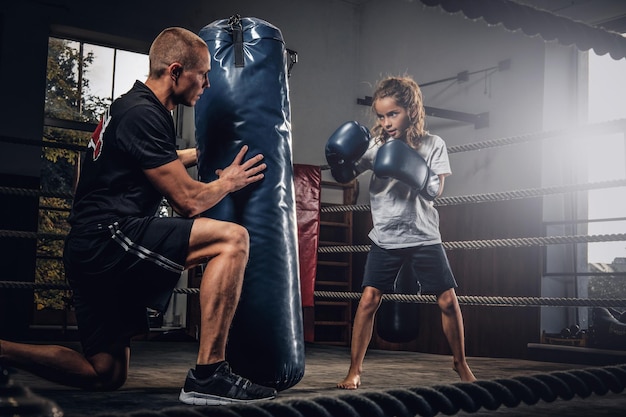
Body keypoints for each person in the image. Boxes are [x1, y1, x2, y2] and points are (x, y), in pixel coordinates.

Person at [0, 27, 278, 405]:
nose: (209, 84)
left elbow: (142, 163)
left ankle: (3, 350)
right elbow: (188, 201)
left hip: (87, 245)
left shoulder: (128, 107)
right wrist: (227, 182)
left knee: (105, 373)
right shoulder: (144, 113)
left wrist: (203, 153)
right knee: (233, 239)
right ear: (176, 71)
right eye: (203, 74)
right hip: (108, 237)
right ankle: (209, 375)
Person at [330, 76, 476, 390]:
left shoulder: (433, 144)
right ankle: (354, 370)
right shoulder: (374, 145)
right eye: (381, 116)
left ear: (410, 110)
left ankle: (459, 361)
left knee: (448, 301)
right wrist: (339, 163)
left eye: (392, 114)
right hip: (386, 236)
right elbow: (347, 177)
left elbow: (436, 190)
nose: (386, 122)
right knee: (369, 300)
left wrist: (411, 170)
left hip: (424, 235)